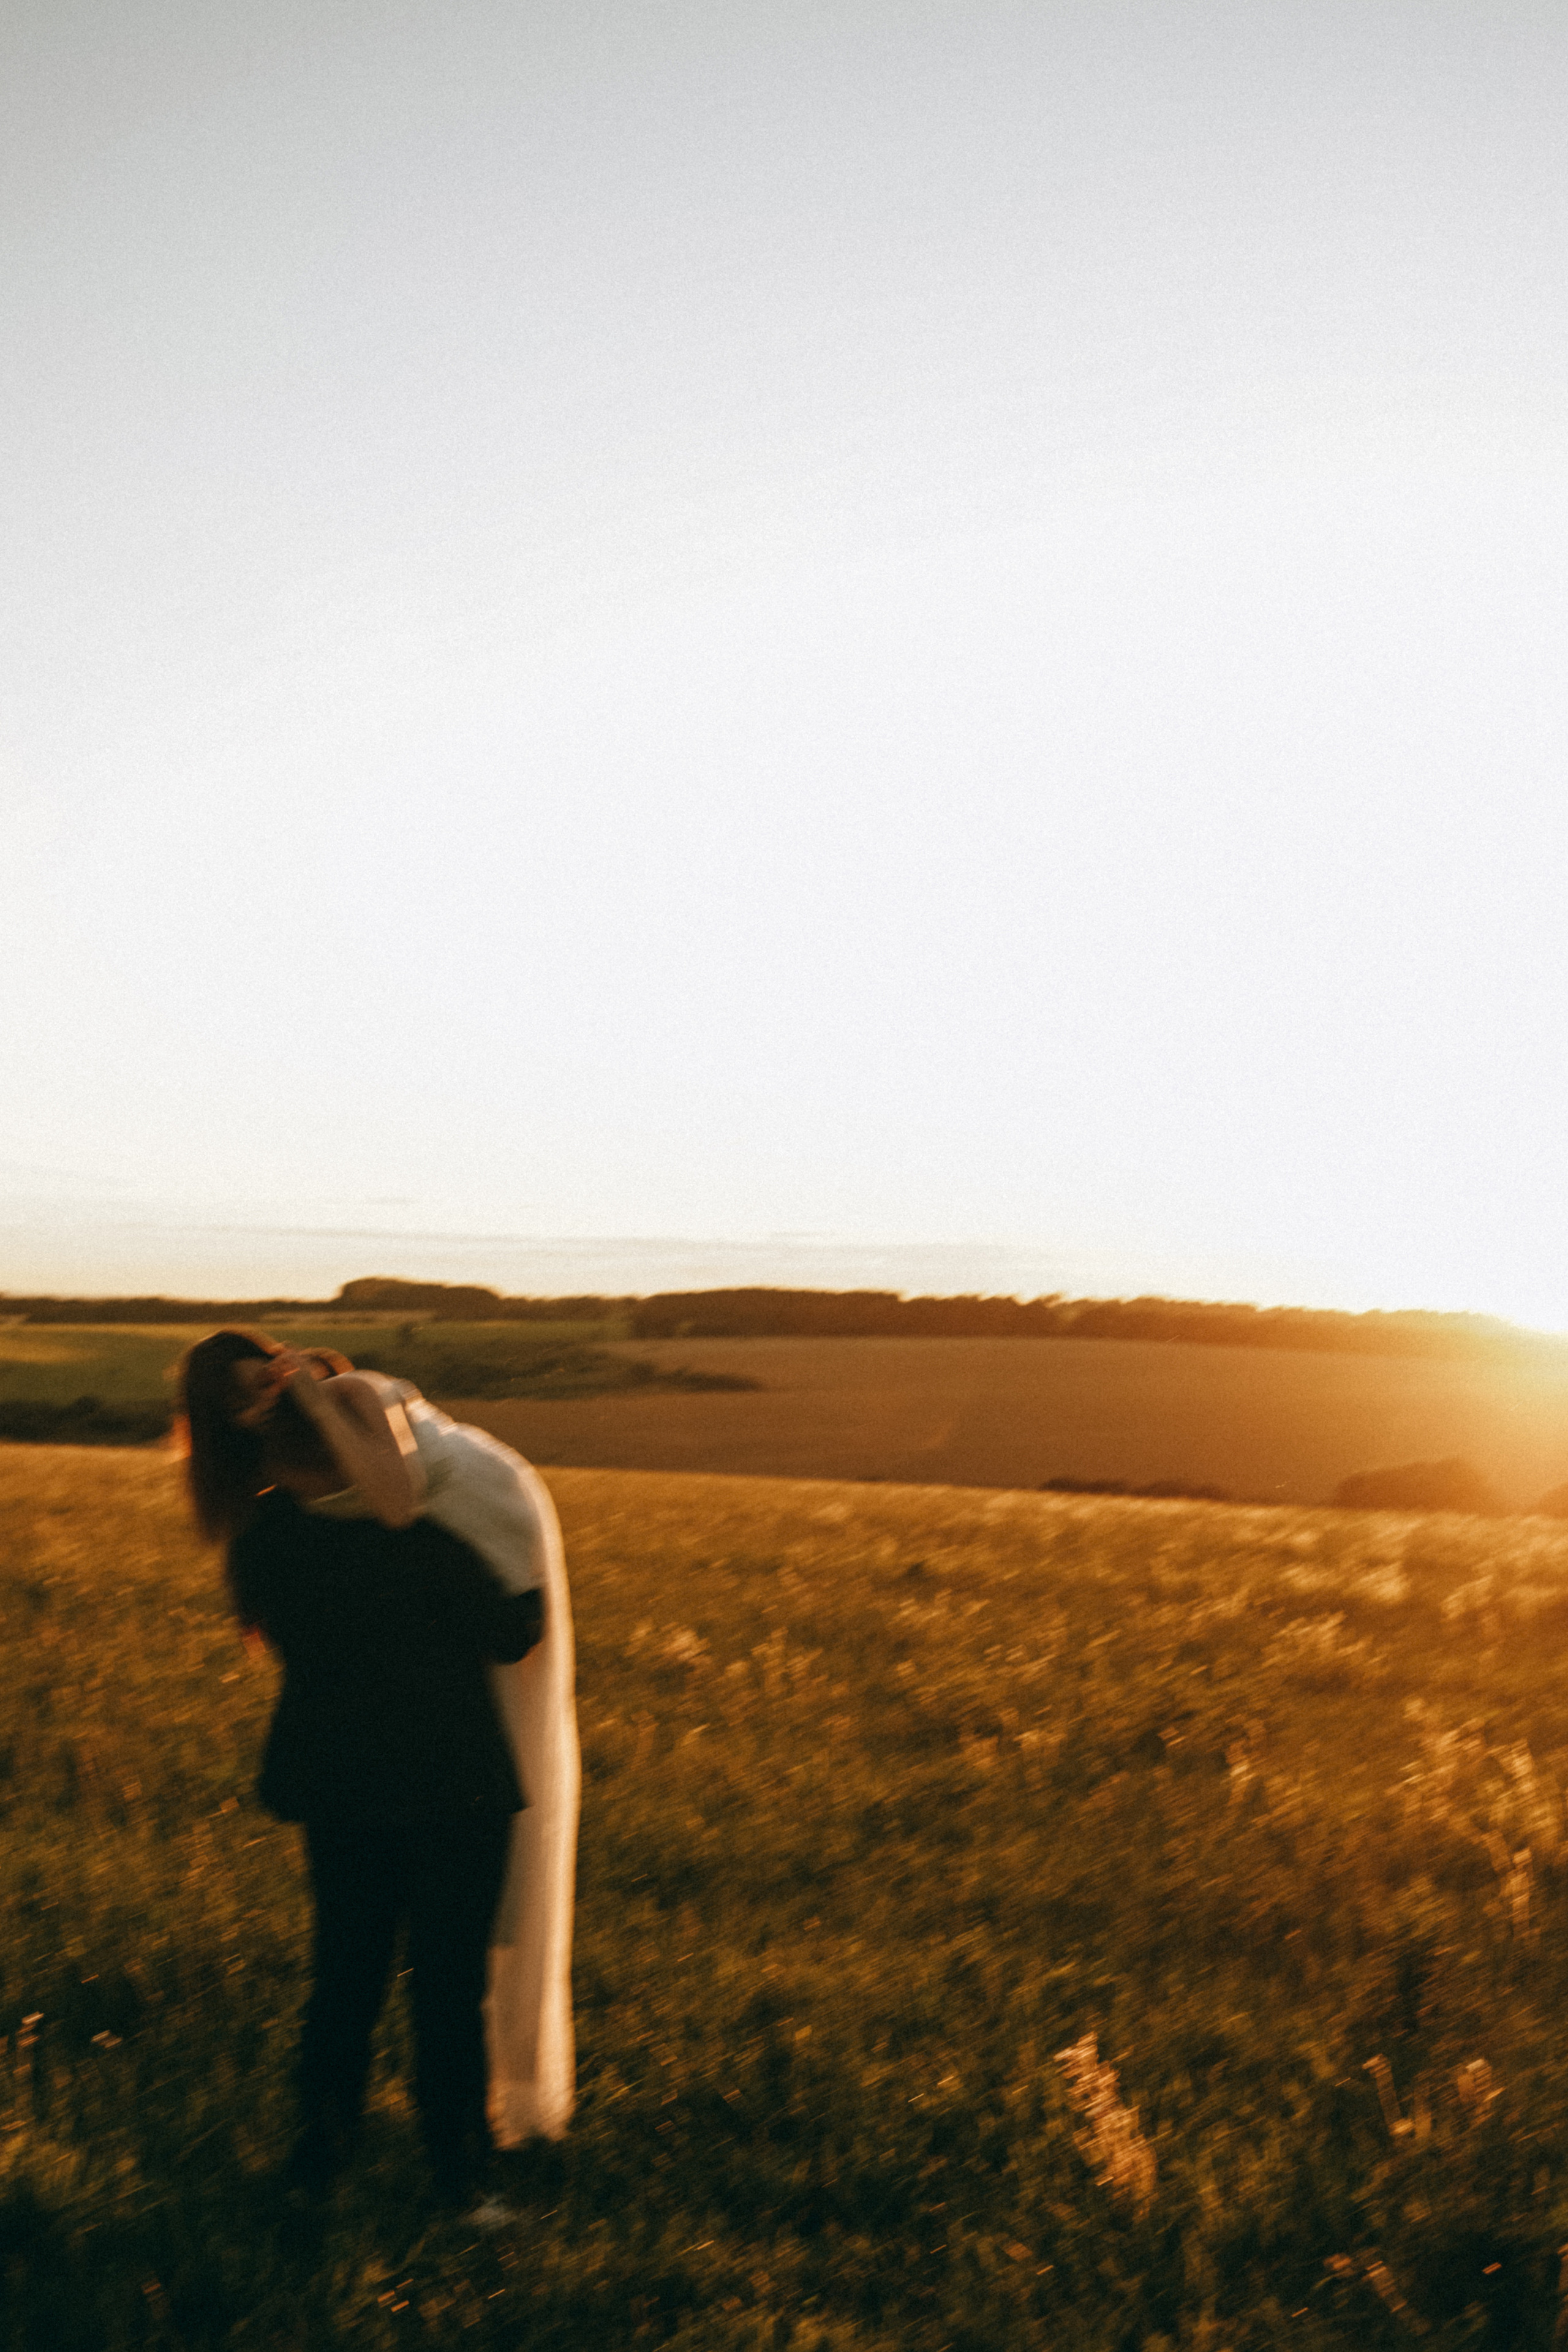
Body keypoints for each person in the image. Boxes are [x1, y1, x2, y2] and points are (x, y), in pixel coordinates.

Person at [178, 1327, 579, 2212]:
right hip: (455, 1781)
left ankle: (317, 2164)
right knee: (448, 1986)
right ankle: (460, 2180)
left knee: (344, 1977)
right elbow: (513, 1632)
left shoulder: (263, 1536)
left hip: (339, 1779)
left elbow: (283, 1639)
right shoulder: (431, 1535)